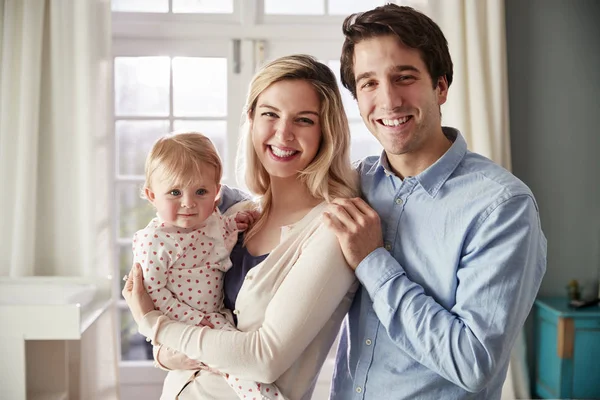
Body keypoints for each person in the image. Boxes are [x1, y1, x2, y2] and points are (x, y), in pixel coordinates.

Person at [323, 4, 547, 399]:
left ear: (440, 86)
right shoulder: (353, 184)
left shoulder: (502, 206)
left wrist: (374, 262)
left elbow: (473, 362)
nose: (388, 101)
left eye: (404, 78)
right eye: (369, 83)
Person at [123, 54, 360, 400]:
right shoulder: (237, 214)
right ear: (251, 119)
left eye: (304, 120)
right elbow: (172, 306)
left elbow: (263, 359)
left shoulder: (332, 229)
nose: (284, 133)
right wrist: (163, 352)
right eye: (270, 114)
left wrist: (152, 324)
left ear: (326, 130)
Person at [132, 132, 285, 399]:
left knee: (241, 368)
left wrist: (235, 227)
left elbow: (216, 248)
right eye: (175, 192)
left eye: (201, 191)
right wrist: (195, 321)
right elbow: (153, 294)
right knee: (244, 373)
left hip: (213, 318)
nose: (189, 203)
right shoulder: (153, 241)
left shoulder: (211, 220)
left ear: (216, 192)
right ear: (151, 195)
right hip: (185, 323)